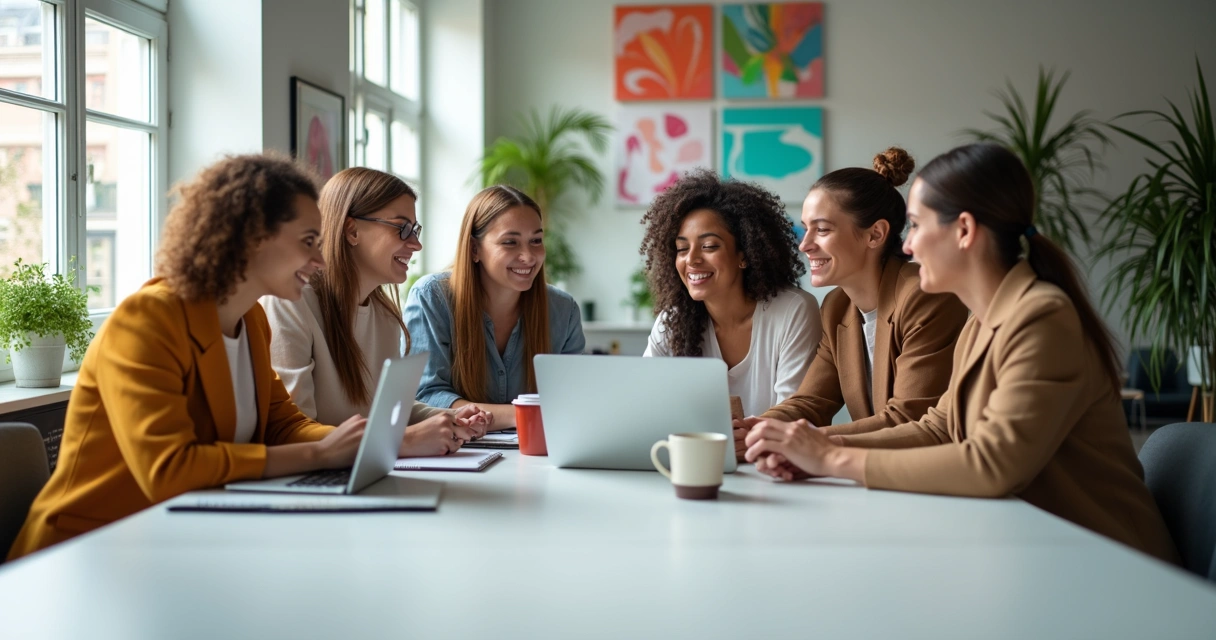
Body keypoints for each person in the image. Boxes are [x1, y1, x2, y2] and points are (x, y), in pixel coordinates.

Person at [745, 143, 1179, 563]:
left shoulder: (1042, 317)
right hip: (1034, 546)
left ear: (965, 231)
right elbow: (938, 428)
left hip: (1109, 561)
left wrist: (829, 458)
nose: (908, 246)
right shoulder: (983, 319)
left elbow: (992, 464)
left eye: (915, 225)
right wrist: (812, 445)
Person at [9, 155, 369, 560]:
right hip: (88, 551)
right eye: (308, 242)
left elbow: (282, 426)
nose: (320, 261)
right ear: (251, 235)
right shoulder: (146, 319)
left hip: (184, 538)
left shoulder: (251, 320)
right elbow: (169, 470)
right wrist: (319, 454)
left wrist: (369, 443)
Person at [737, 148, 968, 452]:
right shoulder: (837, 307)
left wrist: (806, 442)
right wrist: (759, 427)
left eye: (822, 229)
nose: (805, 245)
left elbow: (910, 419)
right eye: (806, 229)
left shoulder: (924, 297)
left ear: (875, 235)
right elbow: (812, 401)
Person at [263, 168, 491, 456]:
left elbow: (388, 408)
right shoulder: (290, 301)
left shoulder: (384, 314)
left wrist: (442, 419)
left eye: (415, 230)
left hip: (361, 470)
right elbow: (294, 431)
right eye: (402, 228)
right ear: (352, 230)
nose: (416, 244)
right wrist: (404, 440)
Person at [638, 169, 821, 460]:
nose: (692, 259)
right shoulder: (670, 324)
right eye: (682, 248)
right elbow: (645, 408)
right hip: (697, 466)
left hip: (774, 473)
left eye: (709, 246)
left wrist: (749, 438)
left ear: (744, 254)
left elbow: (798, 412)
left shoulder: (793, 311)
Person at [405, 185, 585, 427]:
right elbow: (425, 396)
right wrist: (523, 415)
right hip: (453, 456)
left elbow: (574, 398)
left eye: (536, 240)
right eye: (510, 242)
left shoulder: (563, 309)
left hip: (537, 455)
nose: (529, 256)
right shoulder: (432, 297)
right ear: (474, 249)